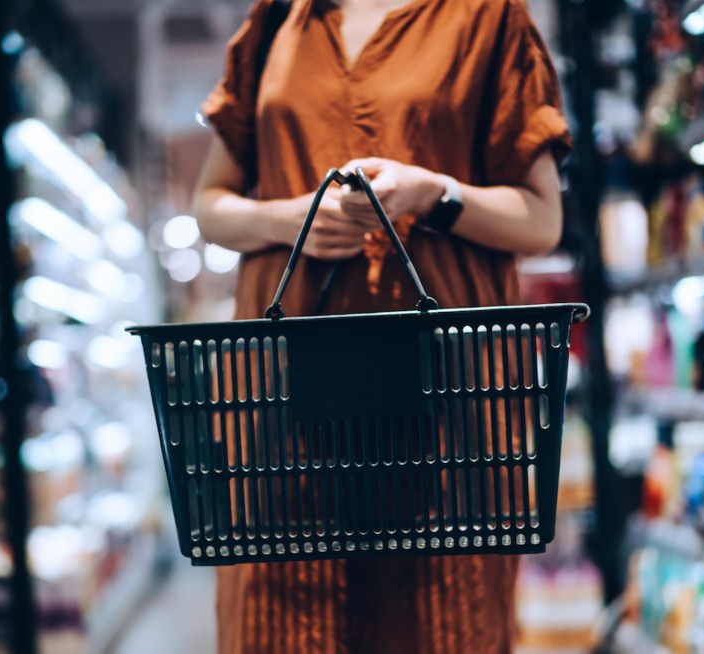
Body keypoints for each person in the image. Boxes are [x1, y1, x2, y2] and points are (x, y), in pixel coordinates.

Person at [193, 0, 571, 651]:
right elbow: (211, 206)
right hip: (282, 397)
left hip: (449, 397)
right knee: (280, 613)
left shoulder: (485, 18)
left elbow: (541, 221)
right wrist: (291, 220)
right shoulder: (278, 21)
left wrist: (433, 194)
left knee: (443, 614)